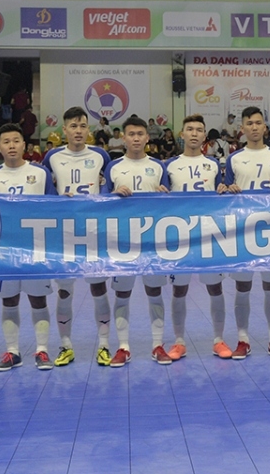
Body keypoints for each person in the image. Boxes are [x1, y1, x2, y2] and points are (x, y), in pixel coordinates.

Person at [222, 106, 270, 359]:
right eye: (249, 123)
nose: (254, 127)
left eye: (258, 123)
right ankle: (242, 340)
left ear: (265, 127)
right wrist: (227, 189)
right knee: (242, 286)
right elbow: (227, 191)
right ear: (241, 129)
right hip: (242, 230)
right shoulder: (233, 158)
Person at [0, 123, 56, 371]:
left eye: (16, 140)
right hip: (5, 251)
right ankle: (12, 352)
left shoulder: (41, 173)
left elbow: (55, 207)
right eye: (6, 141)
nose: (12, 145)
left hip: (36, 248)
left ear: (25, 145)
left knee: (39, 300)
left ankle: (42, 351)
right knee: (9, 300)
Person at [43, 107, 112, 366]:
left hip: (93, 232)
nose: (78, 130)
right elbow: (43, 191)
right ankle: (65, 346)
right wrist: (57, 200)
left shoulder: (101, 156)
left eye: (83, 125)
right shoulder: (51, 157)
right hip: (64, 234)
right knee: (64, 292)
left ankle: (104, 345)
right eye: (73, 126)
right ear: (64, 130)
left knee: (99, 288)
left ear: (89, 129)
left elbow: (111, 188)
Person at [162, 115, 231, 359]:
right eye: (189, 129)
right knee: (179, 290)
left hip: (208, 235)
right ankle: (179, 341)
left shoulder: (213, 165)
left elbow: (222, 193)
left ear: (204, 136)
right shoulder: (168, 165)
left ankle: (219, 340)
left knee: (215, 287)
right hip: (179, 237)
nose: (194, 133)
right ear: (181, 134)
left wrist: (222, 190)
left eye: (199, 130)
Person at [103, 116, 170, 366]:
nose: (136, 138)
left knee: (155, 291)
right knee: (122, 293)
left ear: (147, 137)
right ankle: (123, 347)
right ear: (124, 137)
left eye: (140, 134)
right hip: (123, 240)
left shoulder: (159, 166)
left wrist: (166, 195)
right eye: (131, 134)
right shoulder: (113, 167)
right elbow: (102, 203)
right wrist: (111, 195)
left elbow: (169, 205)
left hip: (152, 240)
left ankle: (157, 345)